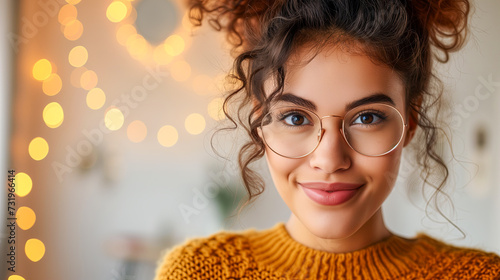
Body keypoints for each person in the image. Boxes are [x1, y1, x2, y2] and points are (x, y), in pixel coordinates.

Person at [154, 0, 500, 279]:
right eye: (295, 118)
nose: (331, 159)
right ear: (261, 119)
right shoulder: (198, 272)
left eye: (367, 118)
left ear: (408, 122)